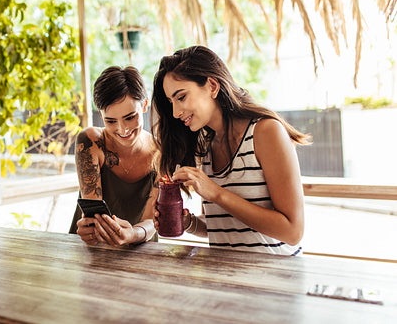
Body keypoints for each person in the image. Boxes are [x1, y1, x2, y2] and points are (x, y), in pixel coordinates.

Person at [151, 45, 310, 255]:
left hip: (275, 281)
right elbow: (223, 228)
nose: (175, 112)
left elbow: (292, 231)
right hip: (229, 279)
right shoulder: (207, 147)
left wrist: (216, 192)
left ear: (212, 86)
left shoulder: (266, 131)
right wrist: (188, 222)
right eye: (171, 102)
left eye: (181, 97)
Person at [69, 66, 158, 246]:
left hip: (141, 250)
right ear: (100, 114)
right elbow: (94, 215)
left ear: (145, 105)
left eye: (130, 117)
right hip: (92, 247)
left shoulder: (161, 152)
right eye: (110, 121)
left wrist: (133, 233)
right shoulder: (90, 142)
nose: (122, 129)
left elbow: (153, 221)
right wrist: (89, 228)